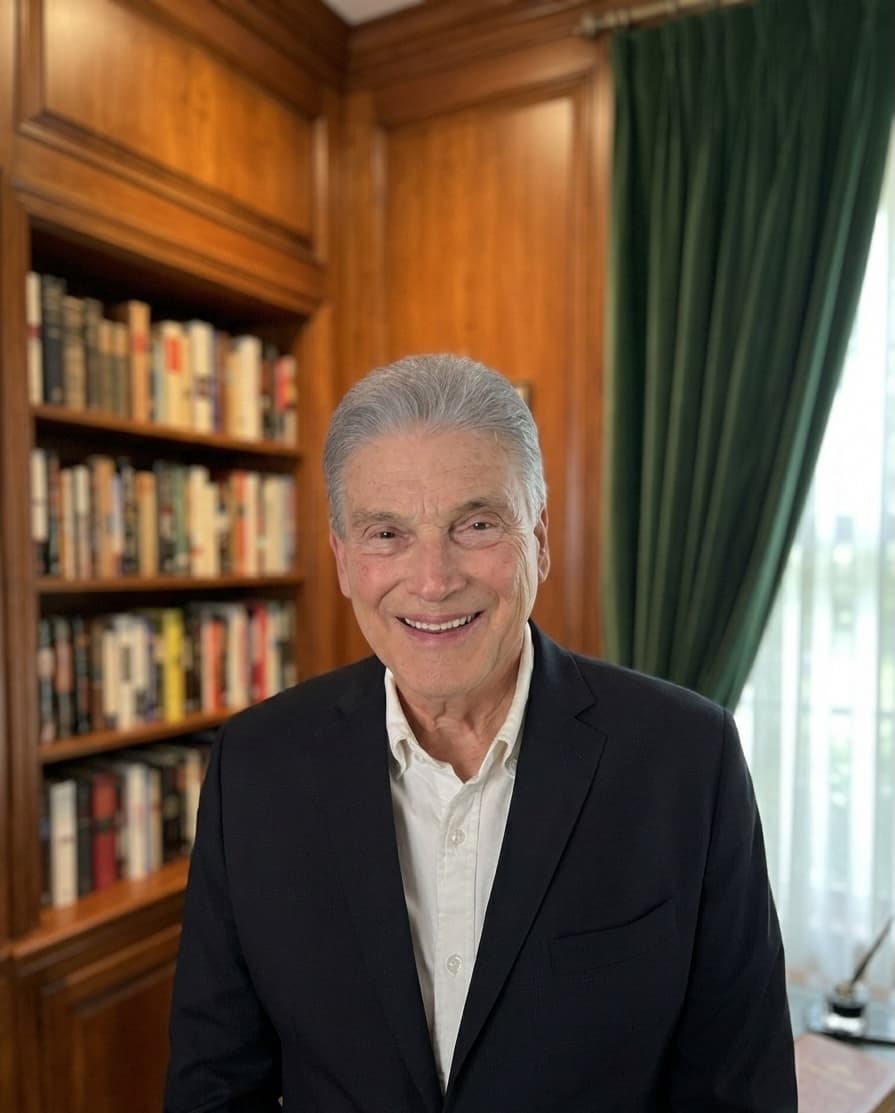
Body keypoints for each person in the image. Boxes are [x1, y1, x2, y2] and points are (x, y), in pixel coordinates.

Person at [164, 353, 797, 1112]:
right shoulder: (255, 767)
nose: (432, 579)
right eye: (386, 532)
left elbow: (740, 1089)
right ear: (341, 558)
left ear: (538, 537)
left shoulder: (687, 759)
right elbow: (214, 1084)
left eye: (475, 523)